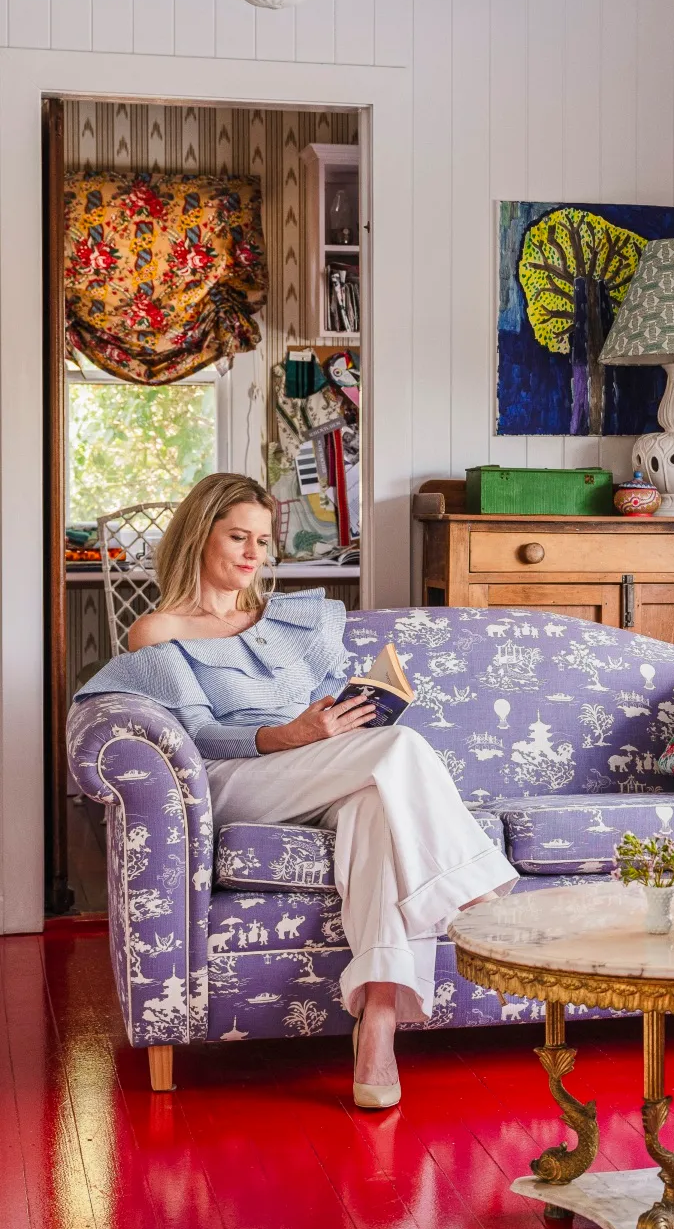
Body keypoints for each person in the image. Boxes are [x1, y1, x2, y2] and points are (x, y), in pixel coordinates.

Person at [75, 472, 516, 1108]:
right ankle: (477, 896)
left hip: (320, 767)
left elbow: (324, 698)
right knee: (401, 749)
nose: (254, 553)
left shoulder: (290, 621)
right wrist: (284, 735)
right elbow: (197, 733)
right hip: (236, 781)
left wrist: (333, 717)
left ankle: (379, 1026)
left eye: (263, 539)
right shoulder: (160, 630)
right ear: (201, 537)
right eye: (237, 537)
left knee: (374, 809)